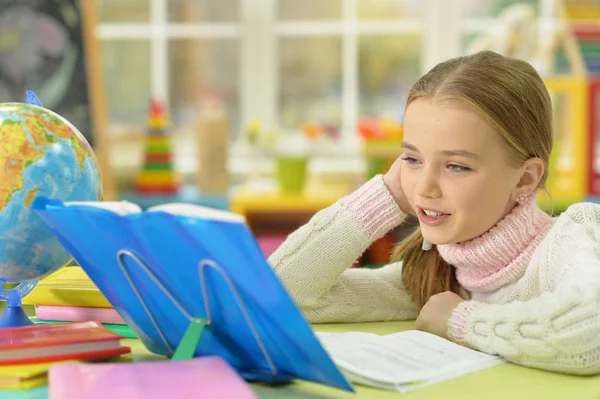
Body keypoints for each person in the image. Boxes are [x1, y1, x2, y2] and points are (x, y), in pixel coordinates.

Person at [268, 50, 600, 376]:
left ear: (525, 179)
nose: (425, 188)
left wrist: (461, 321)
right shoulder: (436, 276)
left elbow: (590, 332)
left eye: (456, 166)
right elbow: (279, 296)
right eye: (412, 159)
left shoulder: (570, 239)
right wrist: (388, 195)